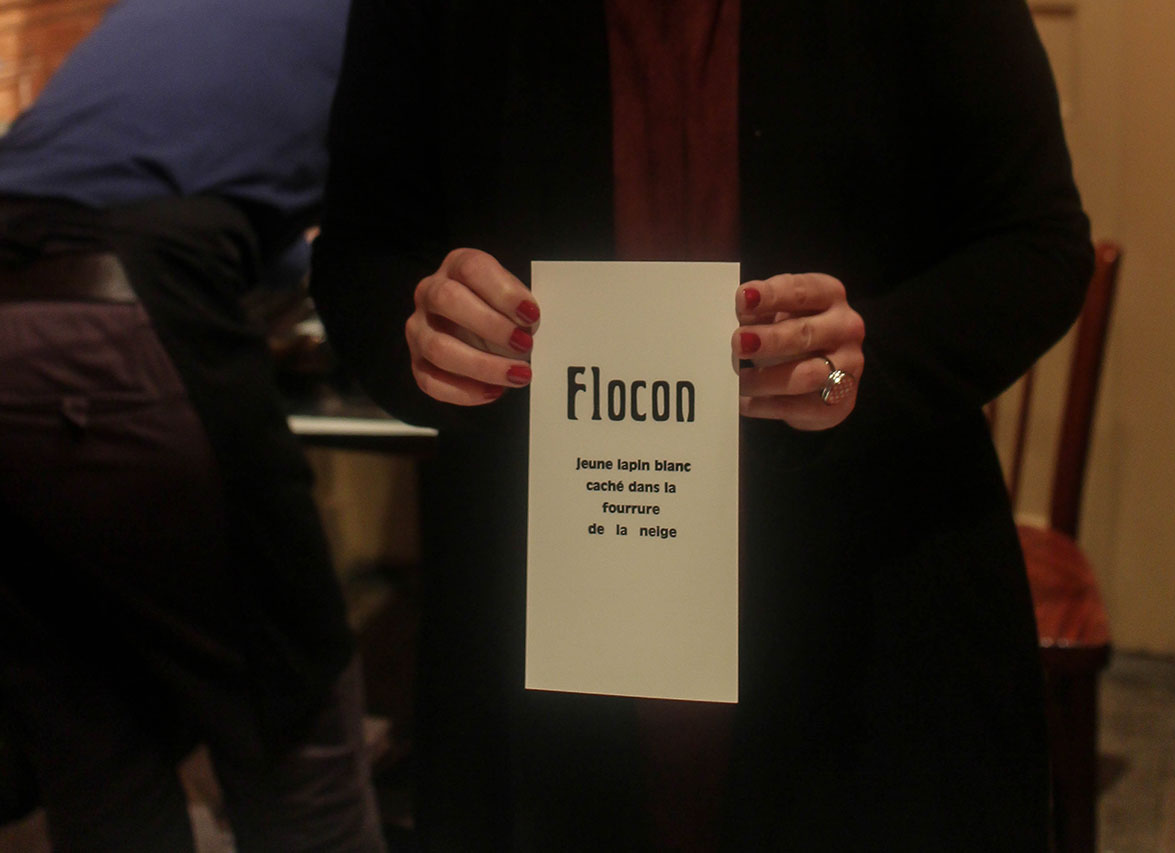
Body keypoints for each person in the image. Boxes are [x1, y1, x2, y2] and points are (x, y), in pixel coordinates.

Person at [311, 0, 1094, 849]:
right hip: (537, 612)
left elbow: (1038, 241)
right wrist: (426, 334)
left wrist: (868, 362)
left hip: (873, 602)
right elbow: (360, 254)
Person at [0, 0, 387, 850]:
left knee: (90, 744)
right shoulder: (381, 20)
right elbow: (360, 250)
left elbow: (214, 206)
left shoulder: (163, 14)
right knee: (292, 724)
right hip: (128, 307)